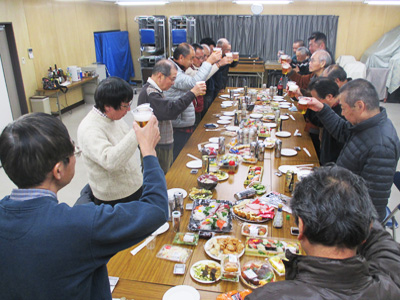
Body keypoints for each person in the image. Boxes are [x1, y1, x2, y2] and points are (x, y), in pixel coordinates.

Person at [0, 113, 168, 300]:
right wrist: (148, 151)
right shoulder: (80, 225)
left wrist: (90, 190)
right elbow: (156, 209)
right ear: (58, 170)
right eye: (73, 149)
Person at [246, 165, 400, 300]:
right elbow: (383, 243)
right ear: (367, 229)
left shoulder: (268, 296)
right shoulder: (392, 283)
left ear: (301, 227)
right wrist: (350, 209)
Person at [307, 79, 400, 221]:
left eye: (343, 108)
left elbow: (371, 204)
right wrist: (321, 108)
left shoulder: (381, 146)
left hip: (349, 218)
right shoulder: (366, 124)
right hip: (338, 195)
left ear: (359, 106)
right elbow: (342, 130)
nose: (342, 113)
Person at [77, 77, 142, 206]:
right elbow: (110, 161)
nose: (129, 109)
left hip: (133, 188)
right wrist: (138, 129)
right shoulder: (89, 128)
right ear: (107, 107)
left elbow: (126, 147)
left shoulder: (114, 117)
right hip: (115, 198)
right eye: (125, 106)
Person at [138, 59, 205, 173]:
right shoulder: (150, 93)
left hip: (161, 144)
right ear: (160, 76)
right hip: (156, 147)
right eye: (172, 79)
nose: (173, 83)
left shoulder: (155, 90)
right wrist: (192, 93)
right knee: (160, 178)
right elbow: (170, 111)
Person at [165, 42, 220, 160]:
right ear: (181, 58)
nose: (192, 62)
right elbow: (193, 82)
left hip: (182, 121)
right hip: (178, 124)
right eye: (191, 59)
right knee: (179, 159)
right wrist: (209, 62)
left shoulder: (178, 68)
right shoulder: (172, 70)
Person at [185, 43, 231, 125]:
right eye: (198, 58)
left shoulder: (200, 66)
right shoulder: (187, 69)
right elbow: (199, 78)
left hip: (199, 105)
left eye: (204, 57)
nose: (202, 60)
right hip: (191, 110)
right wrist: (217, 63)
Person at [307, 78, 344, 165]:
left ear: (329, 97)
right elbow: (318, 122)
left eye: (316, 99)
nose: (314, 101)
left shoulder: (342, 113)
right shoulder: (330, 108)